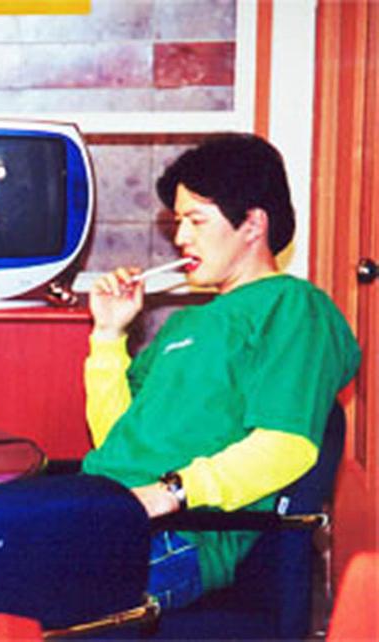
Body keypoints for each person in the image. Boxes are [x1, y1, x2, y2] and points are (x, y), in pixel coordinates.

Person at [82, 133, 361, 609]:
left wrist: (170, 493)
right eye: (178, 222)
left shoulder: (293, 307)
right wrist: (108, 335)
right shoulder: (185, 325)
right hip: (107, 508)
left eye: (195, 220)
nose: (180, 238)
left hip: (180, 533)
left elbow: (287, 447)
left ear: (252, 223)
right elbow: (118, 438)